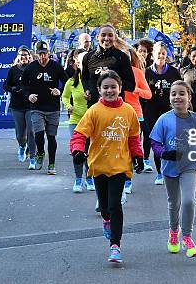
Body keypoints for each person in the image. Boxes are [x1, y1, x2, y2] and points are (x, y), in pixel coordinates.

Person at [69, 71, 144, 263]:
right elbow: (79, 135)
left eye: (113, 87)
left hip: (119, 166)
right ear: (99, 90)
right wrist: (77, 151)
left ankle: (115, 246)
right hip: (98, 165)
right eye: (106, 87)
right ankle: (106, 219)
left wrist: (138, 156)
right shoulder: (94, 111)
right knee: (104, 207)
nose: (110, 90)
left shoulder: (128, 111)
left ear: (120, 89)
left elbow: (134, 137)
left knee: (114, 205)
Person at [150, 80, 196, 257]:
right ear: (170, 98)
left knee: (189, 200)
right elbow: (154, 142)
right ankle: (173, 232)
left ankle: (187, 237)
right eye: (174, 93)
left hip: (190, 165)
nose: (177, 97)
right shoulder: (164, 119)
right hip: (170, 166)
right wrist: (164, 153)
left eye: (182, 93)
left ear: (189, 97)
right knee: (174, 203)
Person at [21, 41, 68, 174]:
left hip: (53, 107)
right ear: (36, 54)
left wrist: (60, 90)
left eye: (45, 54)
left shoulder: (56, 66)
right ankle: (40, 153)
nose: (43, 57)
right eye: (40, 54)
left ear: (49, 53)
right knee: (39, 134)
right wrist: (29, 95)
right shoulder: (31, 68)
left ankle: (52, 164)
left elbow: (68, 82)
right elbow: (23, 85)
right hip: (36, 107)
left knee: (51, 137)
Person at [144, 41, 182, 184]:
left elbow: (180, 89)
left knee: (171, 140)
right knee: (157, 141)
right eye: (158, 53)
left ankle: (172, 169)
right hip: (151, 111)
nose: (161, 56)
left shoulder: (173, 72)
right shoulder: (147, 72)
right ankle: (160, 172)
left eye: (163, 53)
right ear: (153, 54)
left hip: (169, 110)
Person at [120, 44, 152, 194]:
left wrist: (134, 89)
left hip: (135, 115)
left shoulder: (137, 72)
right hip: (116, 114)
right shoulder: (113, 72)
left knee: (129, 149)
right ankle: (119, 178)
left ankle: (127, 180)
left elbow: (148, 94)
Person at [82, 24, 136, 108]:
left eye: (110, 35)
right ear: (97, 37)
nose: (106, 38)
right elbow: (84, 78)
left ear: (115, 37)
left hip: (116, 107)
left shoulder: (122, 57)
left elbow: (131, 85)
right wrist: (86, 90)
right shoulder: (88, 57)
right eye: (103, 35)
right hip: (94, 107)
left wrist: (113, 79)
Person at [62, 50, 91, 192]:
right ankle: (78, 179)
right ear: (76, 65)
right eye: (80, 62)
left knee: (90, 151)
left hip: (92, 121)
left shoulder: (94, 81)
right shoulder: (72, 82)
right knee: (78, 151)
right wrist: (69, 106)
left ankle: (90, 177)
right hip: (76, 120)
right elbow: (65, 96)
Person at [4, 46, 36, 167]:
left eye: (26, 55)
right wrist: (13, 88)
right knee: (20, 134)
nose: (24, 57)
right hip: (17, 105)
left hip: (30, 105)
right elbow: (6, 85)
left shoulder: (33, 69)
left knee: (31, 131)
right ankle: (22, 146)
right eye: (21, 55)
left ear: (29, 56)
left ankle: (32, 157)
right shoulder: (13, 70)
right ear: (18, 57)